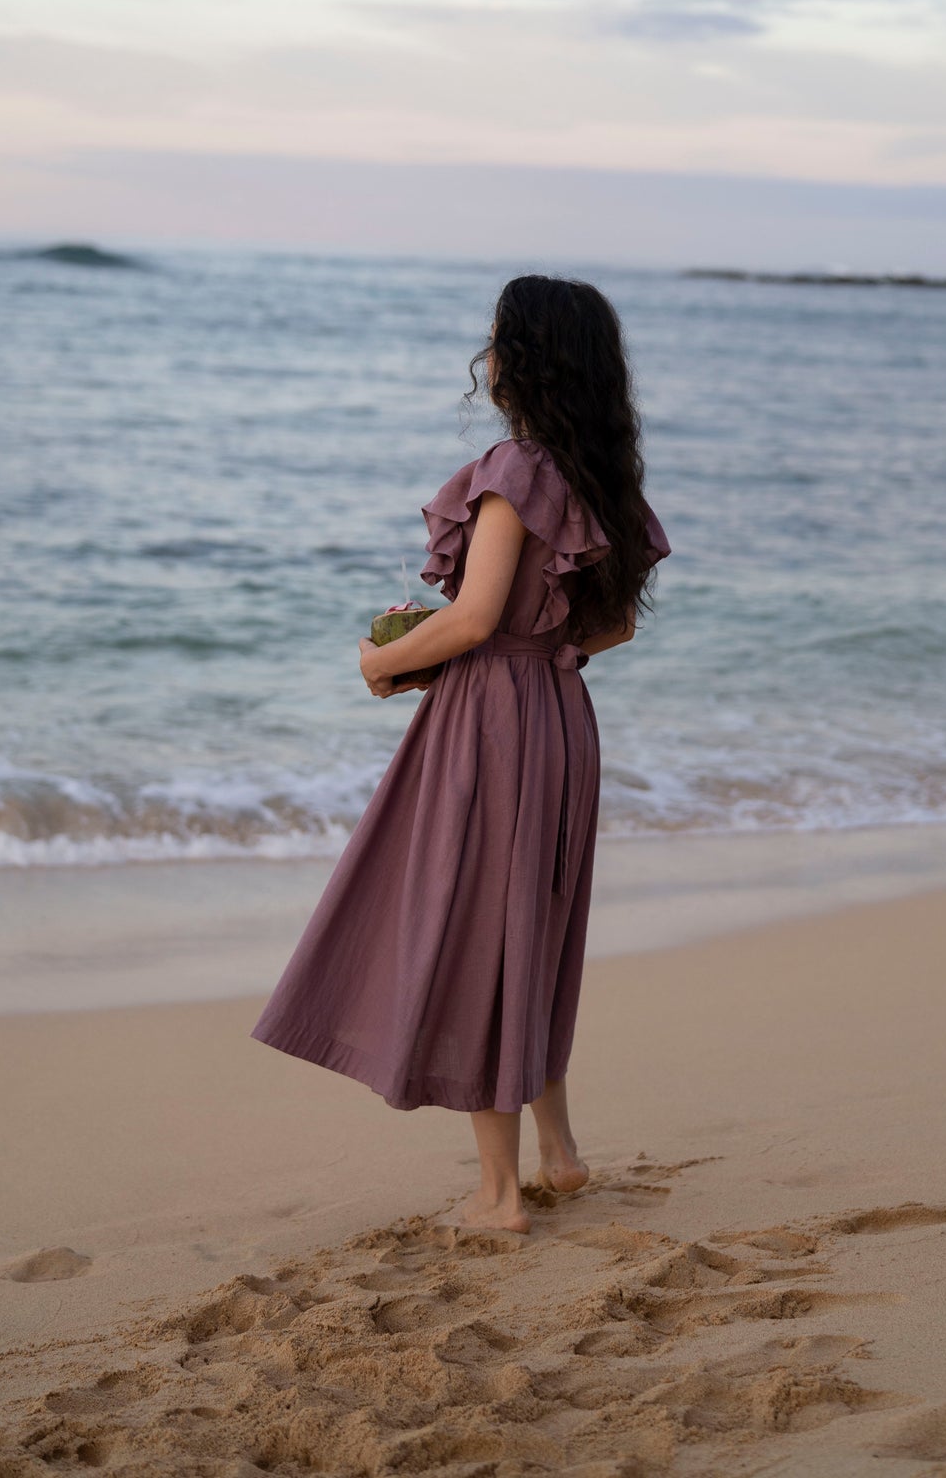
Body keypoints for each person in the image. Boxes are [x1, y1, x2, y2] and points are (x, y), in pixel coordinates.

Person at [252, 274, 669, 1233]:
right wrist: (533, 657)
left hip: (496, 728)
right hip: (561, 719)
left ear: (515, 359)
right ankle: (557, 1156)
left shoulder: (516, 471)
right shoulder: (603, 476)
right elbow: (611, 632)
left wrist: (382, 662)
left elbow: (474, 618)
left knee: (484, 935)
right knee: (538, 933)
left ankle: (496, 1196)